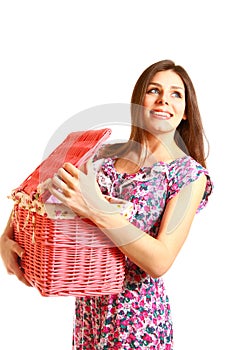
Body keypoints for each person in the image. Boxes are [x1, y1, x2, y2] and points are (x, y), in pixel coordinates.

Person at [0, 59, 213, 349]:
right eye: (154, 90)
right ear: (139, 101)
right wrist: (6, 236)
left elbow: (160, 261)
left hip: (138, 320)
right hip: (89, 311)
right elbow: (39, 191)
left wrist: (94, 207)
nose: (164, 99)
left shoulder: (187, 175)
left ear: (186, 112)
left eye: (176, 94)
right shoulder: (103, 154)